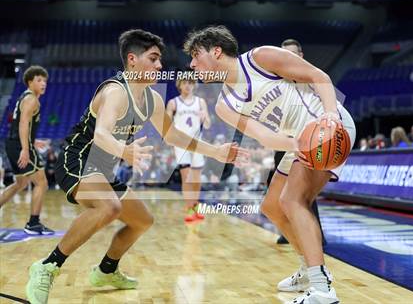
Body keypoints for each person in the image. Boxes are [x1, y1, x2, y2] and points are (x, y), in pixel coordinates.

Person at [25, 28, 248, 304]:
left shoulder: (153, 99)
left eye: (159, 60)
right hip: (79, 159)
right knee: (110, 207)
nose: (159, 65)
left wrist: (215, 150)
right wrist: (124, 151)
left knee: (142, 220)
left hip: (103, 169)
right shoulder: (115, 91)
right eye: (153, 59)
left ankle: (107, 270)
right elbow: (101, 134)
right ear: (132, 59)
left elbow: (173, 135)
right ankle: (47, 266)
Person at [185, 25, 356, 304]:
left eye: (196, 55)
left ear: (216, 52)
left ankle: (322, 288)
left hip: (328, 127)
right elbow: (266, 136)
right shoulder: (223, 105)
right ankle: (307, 267)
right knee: (271, 206)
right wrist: (294, 144)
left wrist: (330, 115)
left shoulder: (260, 58)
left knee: (292, 201)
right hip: (299, 141)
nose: (191, 64)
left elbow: (318, 76)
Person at [276, 39, 326, 247]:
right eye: (284, 54)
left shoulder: (313, 76)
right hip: (283, 141)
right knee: (281, 191)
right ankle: (290, 232)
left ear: (301, 55)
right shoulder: (278, 82)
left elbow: (332, 105)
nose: (289, 58)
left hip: (309, 140)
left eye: (293, 53)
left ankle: (316, 236)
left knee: (304, 192)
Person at [0, 66, 54, 235]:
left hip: (13, 142)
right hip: (19, 145)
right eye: (39, 80)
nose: (43, 83)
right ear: (30, 82)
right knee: (41, 182)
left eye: (45, 80)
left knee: (21, 183)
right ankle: (33, 223)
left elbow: (20, 125)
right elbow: (23, 124)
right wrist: (25, 148)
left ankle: (33, 222)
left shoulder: (25, 97)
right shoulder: (32, 99)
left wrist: (33, 141)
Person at [166, 78, 211, 222]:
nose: (188, 85)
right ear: (180, 85)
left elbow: (208, 125)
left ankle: (195, 207)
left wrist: (205, 118)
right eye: (185, 83)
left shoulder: (200, 102)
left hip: (197, 143)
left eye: (191, 83)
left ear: (194, 85)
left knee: (197, 180)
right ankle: (189, 209)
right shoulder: (173, 103)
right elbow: (166, 124)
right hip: (181, 144)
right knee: (187, 178)